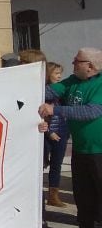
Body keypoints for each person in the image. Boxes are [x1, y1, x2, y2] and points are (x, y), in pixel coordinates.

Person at [40, 48, 102, 228]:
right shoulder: (72, 81)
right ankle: (85, 227)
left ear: (90, 66)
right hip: (80, 148)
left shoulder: (100, 84)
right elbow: (50, 91)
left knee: (99, 190)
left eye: (77, 61)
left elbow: (91, 112)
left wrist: (55, 109)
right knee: (82, 190)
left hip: (98, 148)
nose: (73, 63)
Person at [44, 62, 70, 209]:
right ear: (48, 74)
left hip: (62, 131)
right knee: (42, 164)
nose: (59, 76)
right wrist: (49, 132)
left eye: (60, 73)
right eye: (56, 73)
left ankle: (53, 196)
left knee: (56, 165)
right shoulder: (45, 92)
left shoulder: (63, 91)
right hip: (48, 133)